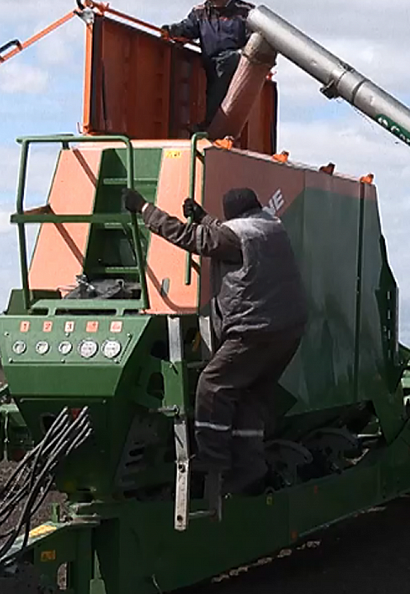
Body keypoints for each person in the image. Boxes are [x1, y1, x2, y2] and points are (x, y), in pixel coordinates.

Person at [121, 185, 308, 496]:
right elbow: (227, 235)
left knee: (212, 384)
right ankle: (250, 470)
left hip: (254, 330)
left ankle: (213, 460)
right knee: (247, 395)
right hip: (287, 331)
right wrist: (205, 218)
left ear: (233, 215)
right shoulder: (270, 227)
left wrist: (143, 208)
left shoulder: (236, 236)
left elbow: (187, 237)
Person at [161, 0, 254, 130]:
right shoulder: (200, 13)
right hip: (210, 66)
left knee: (230, 60)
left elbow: (254, 41)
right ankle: (211, 125)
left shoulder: (246, 12)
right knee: (216, 76)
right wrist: (173, 30)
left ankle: (209, 124)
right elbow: (187, 28)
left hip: (236, 68)